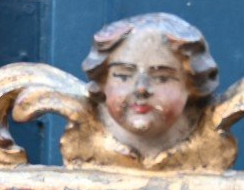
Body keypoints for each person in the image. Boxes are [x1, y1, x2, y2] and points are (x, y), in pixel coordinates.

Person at [81, 13, 218, 159]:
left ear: (192, 86)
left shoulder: (211, 138)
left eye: (162, 78)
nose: (141, 89)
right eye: (123, 76)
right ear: (102, 82)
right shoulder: (82, 133)